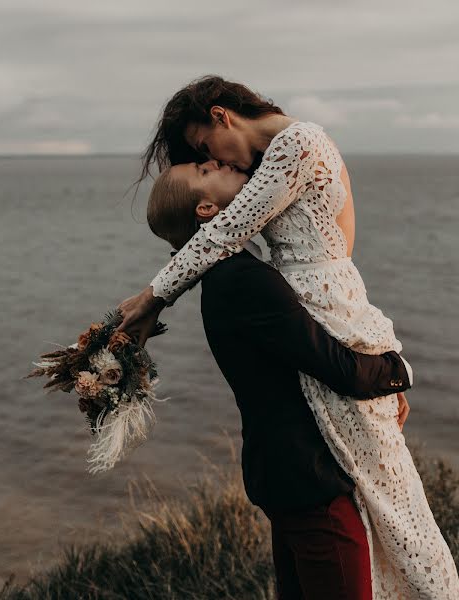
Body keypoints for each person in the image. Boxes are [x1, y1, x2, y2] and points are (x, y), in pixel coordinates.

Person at [116, 75, 459, 598]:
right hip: (316, 336)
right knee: (376, 501)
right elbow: (222, 232)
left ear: (221, 115)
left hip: (329, 322)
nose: (222, 163)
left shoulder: (299, 145)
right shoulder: (253, 220)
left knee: (388, 498)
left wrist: (152, 297)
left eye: (206, 149)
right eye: (204, 163)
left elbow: (230, 233)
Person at [144, 168, 415, 599]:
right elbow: (339, 368)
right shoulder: (244, 279)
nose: (224, 166)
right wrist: (398, 371)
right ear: (207, 209)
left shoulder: (225, 276)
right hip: (312, 483)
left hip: (285, 475)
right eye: (205, 169)